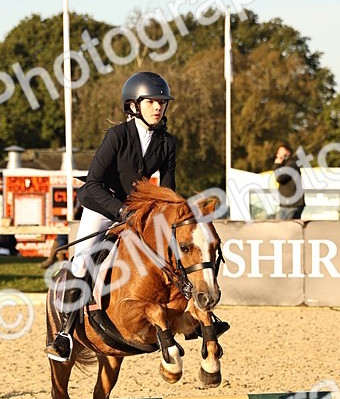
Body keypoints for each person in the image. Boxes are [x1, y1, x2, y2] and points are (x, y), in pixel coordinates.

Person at [45, 71, 228, 363]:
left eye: (162, 103)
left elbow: (168, 191)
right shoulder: (117, 136)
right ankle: (65, 334)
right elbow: (92, 184)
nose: (158, 107)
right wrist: (120, 211)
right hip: (103, 205)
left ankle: (197, 312)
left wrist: (170, 218)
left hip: (140, 211)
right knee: (81, 261)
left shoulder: (167, 143)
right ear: (133, 105)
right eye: (151, 102)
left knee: (173, 254)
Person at [269, 143, 304, 220]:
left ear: (287, 152)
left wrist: (277, 164)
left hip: (291, 205)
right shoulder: (289, 164)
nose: (278, 155)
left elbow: (280, 178)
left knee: (281, 226)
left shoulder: (291, 164)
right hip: (289, 204)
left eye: (280, 152)